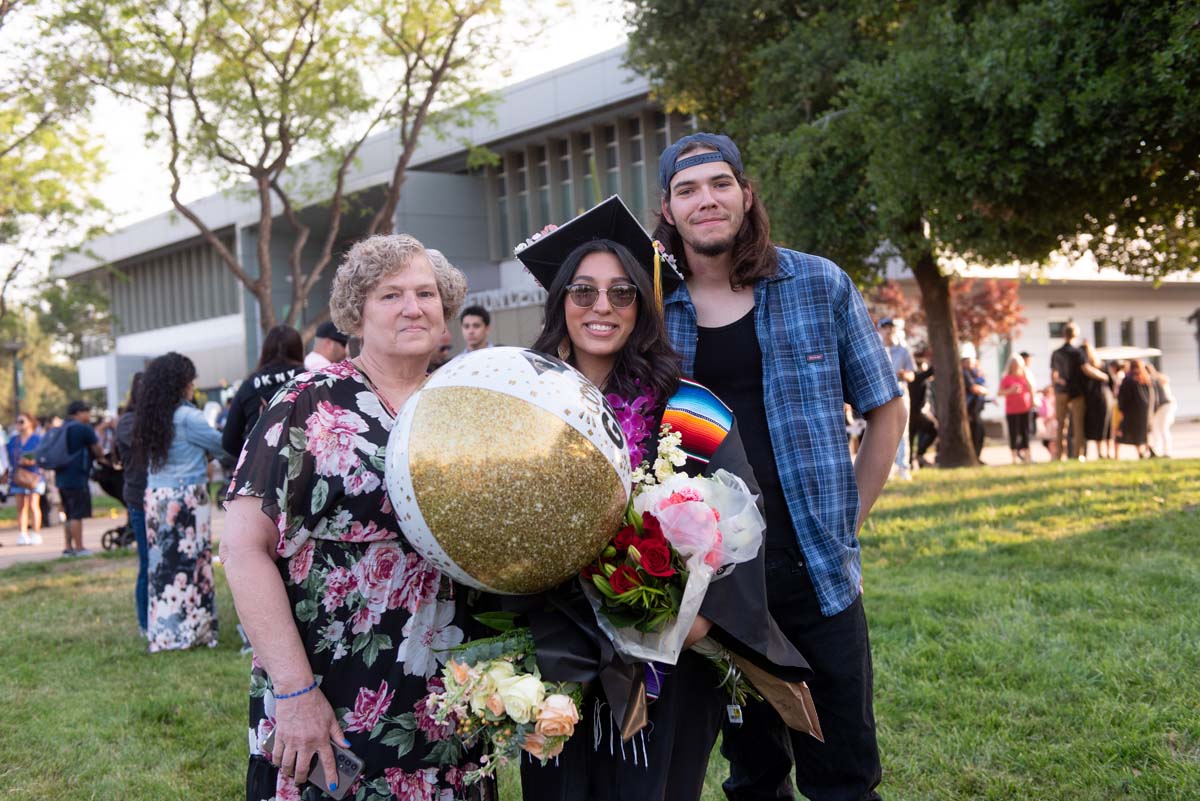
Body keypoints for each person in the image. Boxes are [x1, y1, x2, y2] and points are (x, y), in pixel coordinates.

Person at [515, 198, 811, 801]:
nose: (602, 307)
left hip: (668, 664)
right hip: (552, 652)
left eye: (623, 293)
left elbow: (740, 522)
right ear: (559, 302)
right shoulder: (522, 403)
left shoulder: (689, 406)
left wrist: (698, 621)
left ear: (644, 307)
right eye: (583, 291)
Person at [654, 133, 906, 801]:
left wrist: (848, 521)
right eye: (687, 189)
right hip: (719, 584)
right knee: (754, 775)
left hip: (818, 572)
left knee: (845, 775)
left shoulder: (818, 283)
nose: (706, 199)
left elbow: (886, 409)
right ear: (668, 209)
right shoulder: (650, 308)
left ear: (746, 193)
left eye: (719, 183)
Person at [220, 234, 489, 801]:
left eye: (426, 294)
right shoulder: (307, 403)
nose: (413, 307)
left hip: (450, 699)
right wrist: (294, 693)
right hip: (330, 692)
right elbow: (243, 547)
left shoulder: (465, 404)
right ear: (356, 316)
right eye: (391, 295)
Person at [133, 353, 227, 652]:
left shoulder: (151, 417)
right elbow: (223, 446)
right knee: (192, 565)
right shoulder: (189, 417)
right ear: (183, 383)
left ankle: (165, 633)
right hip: (187, 499)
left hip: (156, 498)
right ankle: (193, 632)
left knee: (162, 569)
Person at [222, 324, 305, 461]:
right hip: (303, 468)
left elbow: (229, 441)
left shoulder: (249, 385)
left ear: (265, 351)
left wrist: (251, 458)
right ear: (298, 350)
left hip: (261, 473)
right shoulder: (308, 379)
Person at [116, 372, 149, 637]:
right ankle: (144, 624)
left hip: (159, 498)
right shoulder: (127, 422)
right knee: (148, 562)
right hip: (140, 499)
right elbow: (147, 445)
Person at [55, 401, 106, 557]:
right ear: (79, 413)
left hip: (61, 476)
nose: (88, 416)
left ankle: (68, 547)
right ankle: (80, 547)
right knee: (77, 514)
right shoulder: (83, 429)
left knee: (69, 513)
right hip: (77, 477)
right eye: (87, 412)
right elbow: (98, 449)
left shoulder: (61, 428)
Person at [878, 318, 915, 480]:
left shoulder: (903, 351)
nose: (888, 330)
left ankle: (904, 467)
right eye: (885, 327)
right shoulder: (876, 351)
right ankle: (888, 469)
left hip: (901, 392)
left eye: (890, 327)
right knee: (884, 433)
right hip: (882, 395)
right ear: (879, 330)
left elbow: (912, 374)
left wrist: (903, 374)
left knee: (903, 431)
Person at [8, 412, 46, 545]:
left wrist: (31, 461)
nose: (19, 425)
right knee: (21, 506)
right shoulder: (14, 440)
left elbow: (42, 455)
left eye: (22, 421)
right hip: (18, 476)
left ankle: (36, 532)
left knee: (33, 504)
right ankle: (22, 533)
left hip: (34, 476)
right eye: (17, 422)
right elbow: (9, 456)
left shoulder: (37, 439)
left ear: (30, 422)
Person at [997, 355, 1034, 464]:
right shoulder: (1006, 378)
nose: (1016, 367)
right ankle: (1013, 457)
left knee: (1026, 432)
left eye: (1018, 365)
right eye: (1014, 365)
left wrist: (1032, 402)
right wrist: (1010, 390)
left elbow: (1031, 389)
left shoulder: (1025, 376)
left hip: (1025, 408)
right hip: (1012, 409)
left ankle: (1027, 455)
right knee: (1013, 432)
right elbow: (999, 392)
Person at [1080, 342, 1114, 460]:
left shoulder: (1084, 368)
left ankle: (1100, 452)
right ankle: (1108, 452)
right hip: (1106, 396)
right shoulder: (1103, 365)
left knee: (1098, 424)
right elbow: (1112, 381)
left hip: (1093, 398)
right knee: (1107, 424)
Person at [1116, 359, 1153, 459]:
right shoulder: (1145, 378)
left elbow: (1123, 396)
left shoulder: (1128, 379)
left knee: (1128, 431)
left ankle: (1120, 454)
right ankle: (1143, 450)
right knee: (1142, 431)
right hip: (1144, 410)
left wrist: (1121, 408)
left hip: (1131, 410)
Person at [908, 349, 937, 468]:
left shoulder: (913, 379)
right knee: (933, 429)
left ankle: (911, 461)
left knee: (910, 438)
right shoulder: (918, 377)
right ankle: (920, 453)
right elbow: (931, 371)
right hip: (918, 413)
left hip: (910, 413)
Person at [961, 350, 989, 459]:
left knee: (979, 433)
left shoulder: (974, 373)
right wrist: (984, 390)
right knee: (977, 432)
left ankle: (976, 456)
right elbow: (974, 389)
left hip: (976, 408)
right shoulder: (965, 373)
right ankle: (975, 456)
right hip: (970, 409)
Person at [1146, 364, 1176, 458]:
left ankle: (1167, 452)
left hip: (1166, 405)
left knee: (1163, 428)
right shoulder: (1154, 379)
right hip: (1161, 407)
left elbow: (1165, 380)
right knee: (1156, 429)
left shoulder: (1156, 379)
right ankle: (1157, 451)